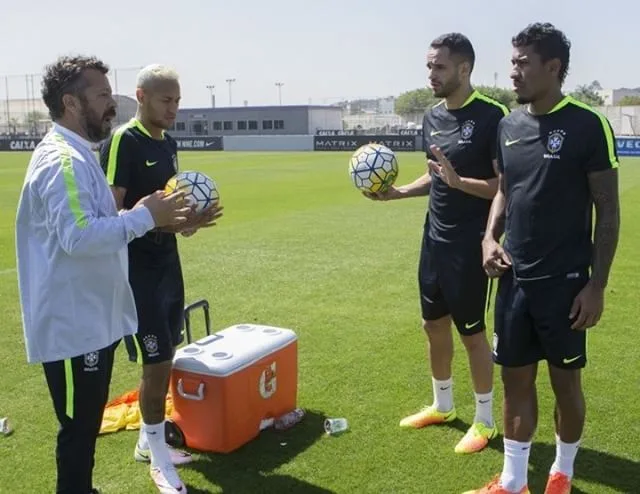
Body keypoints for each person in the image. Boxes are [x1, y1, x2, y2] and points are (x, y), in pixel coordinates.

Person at [15, 55, 190, 494]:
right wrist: (146, 216)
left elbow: (100, 222)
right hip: (74, 328)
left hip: (90, 321)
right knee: (77, 432)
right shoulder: (64, 161)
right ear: (71, 102)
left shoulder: (80, 153)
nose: (113, 105)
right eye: (102, 96)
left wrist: (154, 217)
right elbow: (79, 236)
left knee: (86, 425)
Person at [466, 23, 621, 494]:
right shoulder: (509, 127)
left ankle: (562, 474)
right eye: (512, 62)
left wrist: (596, 284)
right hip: (514, 279)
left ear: (552, 68)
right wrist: (489, 239)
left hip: (567, 284)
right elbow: (506, 193)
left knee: (565, 384)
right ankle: (513, 483)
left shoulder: (587, 124)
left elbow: (608, 210)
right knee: (515, 381)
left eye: (522, 63)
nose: (513, 72)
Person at [365, 33, 508, 454]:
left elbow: (506, 186)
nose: (431, 74)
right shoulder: (432, 117)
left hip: (471, 244)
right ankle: (442, 406)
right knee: (433, 324)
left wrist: (460, 182)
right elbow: (436, 175)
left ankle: (484, 422)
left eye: (439, 67)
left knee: (473, 333)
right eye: (429, 66)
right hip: (435, 238)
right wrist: (402, 192)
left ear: (464, 69)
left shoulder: (493, 116)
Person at [100, 64, 221, 493]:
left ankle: (147, 442)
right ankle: (157, 461)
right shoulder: (123, 142)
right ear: (141, 97)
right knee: (156, 366)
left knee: (166, 355)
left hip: (168, 265)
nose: (173, 108)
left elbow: (169, 212)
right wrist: (163, 225)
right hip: (136, 273)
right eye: (166, 100)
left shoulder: (168, 144)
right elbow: (110, 216)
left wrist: (190, 223)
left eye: (177, 100)